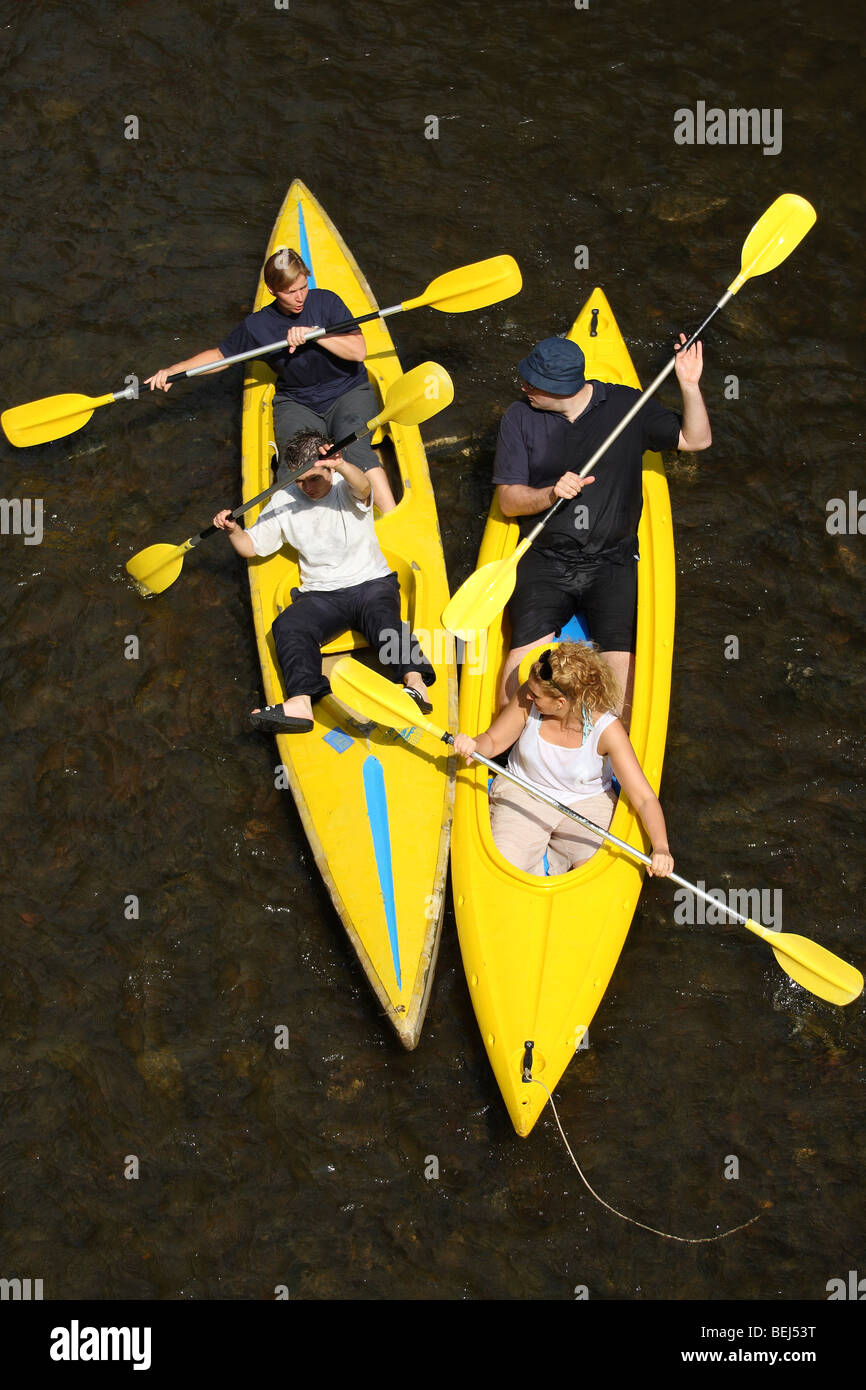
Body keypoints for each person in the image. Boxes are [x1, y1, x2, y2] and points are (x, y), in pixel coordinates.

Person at [493, 332, 712, 716]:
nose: (523, 386)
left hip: (613, 562)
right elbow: (509, 503)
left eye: (533, 383)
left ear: (561, 390)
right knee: (517, 678)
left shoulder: (628, 406)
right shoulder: (519, 417)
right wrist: (549, 494)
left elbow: (696, 440)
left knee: (615, 691)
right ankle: (510, 748)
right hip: (545, 556)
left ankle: (601, 760)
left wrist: (689, 386)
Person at [213, 429, 433, 733]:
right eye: (300, 481)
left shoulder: (346, 485)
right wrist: (233, 531)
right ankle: (301, 703)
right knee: (288, 625)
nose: (307, 488)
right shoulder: (282, 499)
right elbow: (251, 547)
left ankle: (415, 684)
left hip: (371, 582)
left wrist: (340, 464)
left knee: (384, 621)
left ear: (328, 468)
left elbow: (365, 487)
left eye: (314, 479)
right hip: (322, 594)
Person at [146, 247, 397, 513]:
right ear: (272, 290)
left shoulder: (326, 302)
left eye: (303, 287)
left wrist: (317, 334)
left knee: (354, 451)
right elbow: (221, 356)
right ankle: (293, 526)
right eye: (290, 292)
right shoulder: (257, 326)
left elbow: (358, 351)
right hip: (298, 401)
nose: (300, 297)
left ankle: (395, 518)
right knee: (296, 464)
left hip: (348, 391)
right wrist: (174, 370)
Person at [453, 641, 673, 879]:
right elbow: (493, 741)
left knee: (594, 876)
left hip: (587, 803)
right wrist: (475, 745)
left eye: (536, 694)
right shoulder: (528, 698)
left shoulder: (608, 730)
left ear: (561, 703)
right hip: (523, 792)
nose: (528, 694)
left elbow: (644, 798)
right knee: (503, 869)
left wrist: (661, 847)